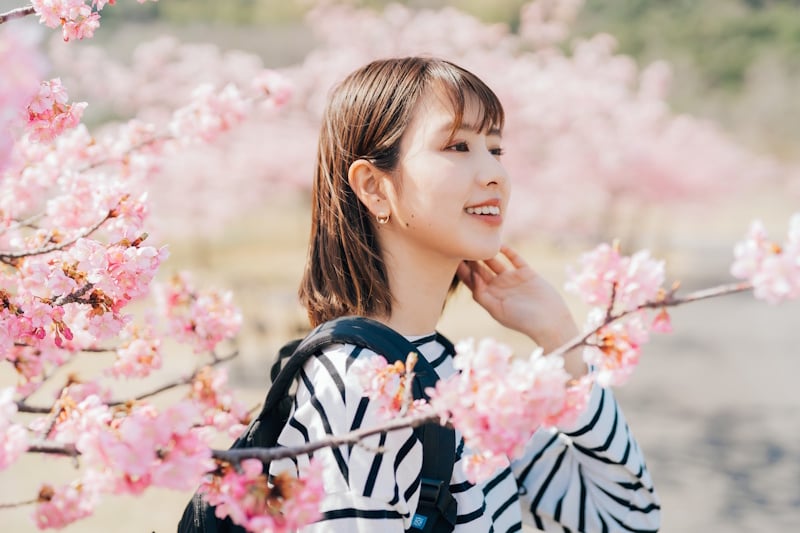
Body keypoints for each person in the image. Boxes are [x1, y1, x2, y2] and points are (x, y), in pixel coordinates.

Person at [269, 56, 661, 532]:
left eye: (495, 149)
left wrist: (562, 339)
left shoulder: (459, 373)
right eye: (457, 145)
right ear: (374, 187)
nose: (494, 174)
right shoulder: (357, 385)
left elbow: (626, 520)